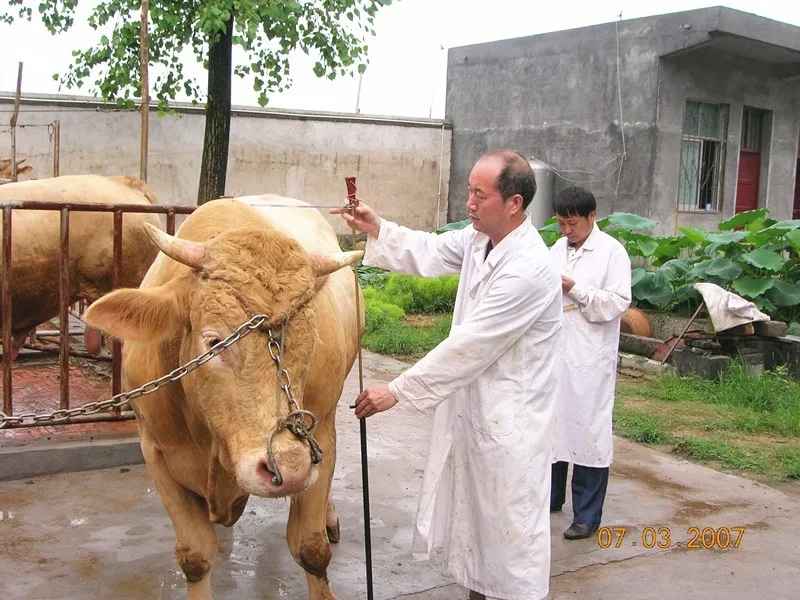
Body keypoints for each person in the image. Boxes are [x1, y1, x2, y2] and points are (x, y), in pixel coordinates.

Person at [331, 149, 562, 600]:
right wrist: (378, 228)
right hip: (478, 412)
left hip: (510, 423)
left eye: (480, 195)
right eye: (469, 192)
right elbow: (431, 249)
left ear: (513, 203)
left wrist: (397, 390)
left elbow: (469, 346)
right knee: (479, 532)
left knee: (509, 541)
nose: (469, 204)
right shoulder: (480, 240)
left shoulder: (529, 269)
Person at [548, 185, 632, 540]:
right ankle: (550, 497)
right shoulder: (556, 250)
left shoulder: (612, 252)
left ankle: (586, 515)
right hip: (556, 352)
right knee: (553, 427)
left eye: (573, 223)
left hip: (590, 357)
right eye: (562, 223)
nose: (567, 230)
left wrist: (576, 289)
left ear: (591, 217)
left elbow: (618, 302)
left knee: (588, 432)